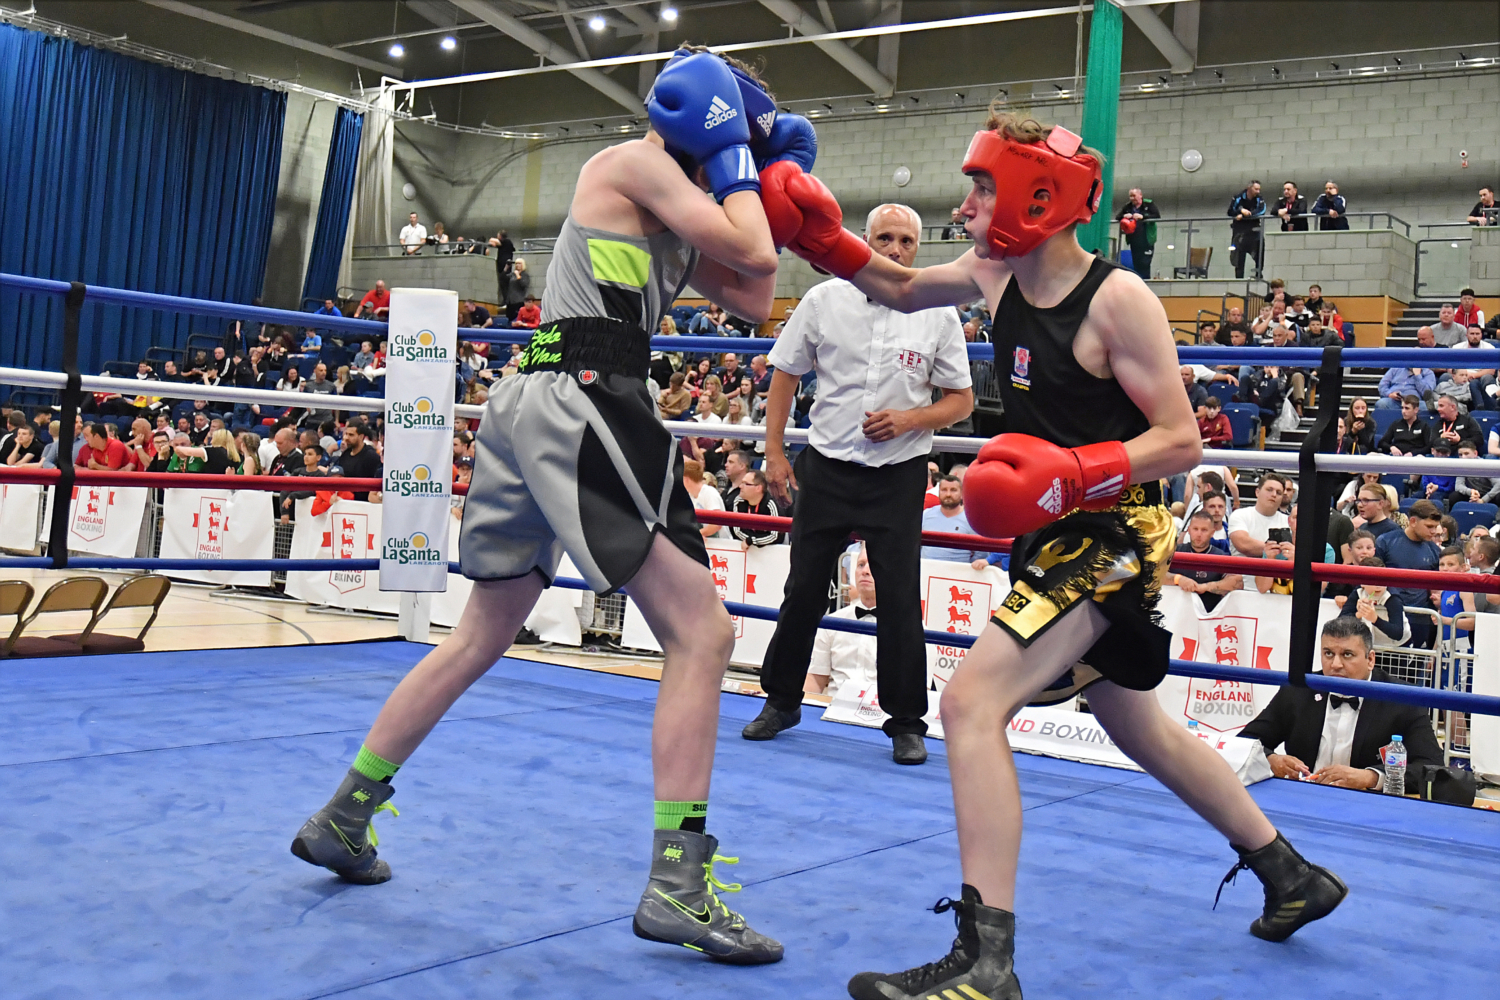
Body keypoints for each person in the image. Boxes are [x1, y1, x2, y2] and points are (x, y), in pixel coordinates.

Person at [760, 108, 1342, 1000]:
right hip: (1055, 528)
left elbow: (1182, 439)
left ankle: (987, 962)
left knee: (970, 703)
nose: (969, 203)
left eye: (984, 185)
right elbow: (902, 286)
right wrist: (817, 237)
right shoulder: (994, 274)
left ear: (1042, 195)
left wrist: (1072, 469)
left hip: (1116, 536)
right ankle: (1290, 874)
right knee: (1135, 723)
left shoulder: (1119, 301)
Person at [290, 47, 789, 965]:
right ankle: (678, 882)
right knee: (704, 633)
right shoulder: (630, 163)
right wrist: (742, 172)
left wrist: (763, 183)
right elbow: (754, 247)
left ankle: (343, 815)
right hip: (587, 390)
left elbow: (755, 294)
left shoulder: (675, 209)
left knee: (482, 631)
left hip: (546, 398)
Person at [748, 201, 972, 767]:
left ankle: (905, 722)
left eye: (905, 241)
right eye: (885, 238)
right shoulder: (824, 300)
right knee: (803, 589)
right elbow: (785, 373)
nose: (894, 250)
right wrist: (775, 452)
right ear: (864, 241)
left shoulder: (938, 312)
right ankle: (781, 699)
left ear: (917, 249)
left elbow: (961, 401)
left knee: (898, 601)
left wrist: (910, 419)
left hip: (897, 474)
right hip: (826, 465)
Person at [1240, 616, 1441, 789]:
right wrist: (1271, 760)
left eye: (1347, 655)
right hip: (1301, 798)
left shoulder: (1401, 698)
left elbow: (1432, 768)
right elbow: (1243, 742)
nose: (1335, 665)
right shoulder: (1298, 691)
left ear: (1370, 659)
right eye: (1328, 654)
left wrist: (1370, 777)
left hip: (1367, 805)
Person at [804, 544, 882, 699]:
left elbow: (918, 693)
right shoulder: (831, 623)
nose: (865, 571)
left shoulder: (913, 630)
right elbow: (815, 679)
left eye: (872, 564)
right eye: (860, 565)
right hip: (835, 709)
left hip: (884, 716)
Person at [1376, 499, 1444, 649]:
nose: (1433, 531)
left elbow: (1436, 588)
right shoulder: (1386, 542)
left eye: (1436, 527)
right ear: (1413, 521)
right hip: (1389, 614)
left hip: (1421, 618)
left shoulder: (1435, 551)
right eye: (1429, 526)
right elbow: (1372, 578)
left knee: (1415, 668)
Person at [1168, 511, 1241, 611]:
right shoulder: (1175, 552)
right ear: (1188, 530)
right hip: (1175, 613)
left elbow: (1237, 582)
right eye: (1195, 529)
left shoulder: (1220, 556)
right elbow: (1156, 575)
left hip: (1208, 616)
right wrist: (1178, 579)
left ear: (1212, 533)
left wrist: (1206, 587)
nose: (1199, 534)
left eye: (1204, 530)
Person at [920, 475, 983, 563]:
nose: (948, 494)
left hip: (958, 573)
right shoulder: (926, 515)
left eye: (953, 490)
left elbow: (981, 553)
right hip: (926, 572)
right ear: (938, 492)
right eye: (944, 490)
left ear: (962, 494)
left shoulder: (971, 520)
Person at [1114, 187, 1158, 280]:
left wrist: (1143, 216)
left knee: (1145, 263)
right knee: (1136, 263)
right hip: (1134, 239)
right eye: (1130, 196)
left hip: (1146, 239)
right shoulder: (1128, 206)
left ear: (1140, 195)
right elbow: (1118, 217)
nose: (1132, 198)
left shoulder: (1148, 204)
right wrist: (1124, 216)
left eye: (1134, 196)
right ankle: (1138, 281)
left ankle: (1146, 281)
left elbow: (1156, 215)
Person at [1227, 179, 1266, 278]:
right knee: (1239, 255)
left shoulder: (1259, 199)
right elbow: (1230, 211)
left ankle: (1258, 273)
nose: (1258, 192)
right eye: (1256, 189)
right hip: (1239, 231)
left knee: (1259, 251)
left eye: (1259, 189)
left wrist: (1246, 215)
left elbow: (1262, 211)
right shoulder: (1238, 197)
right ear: (1249, 188)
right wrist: (1239, 211)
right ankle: (1239, 277)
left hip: (1254, 230)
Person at [335, 422, 382, 502]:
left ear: (361, 437)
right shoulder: (345, 454)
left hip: (363, 505)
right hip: (345, 502)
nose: (346, 437)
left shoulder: (371, 456)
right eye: (346, 434)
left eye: (351, 435)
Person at [681, 458, 727, 539]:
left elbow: (717, 524)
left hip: (721, 544)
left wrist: (697, 534)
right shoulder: (690, 495)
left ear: (686, 479)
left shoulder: (709, 493)